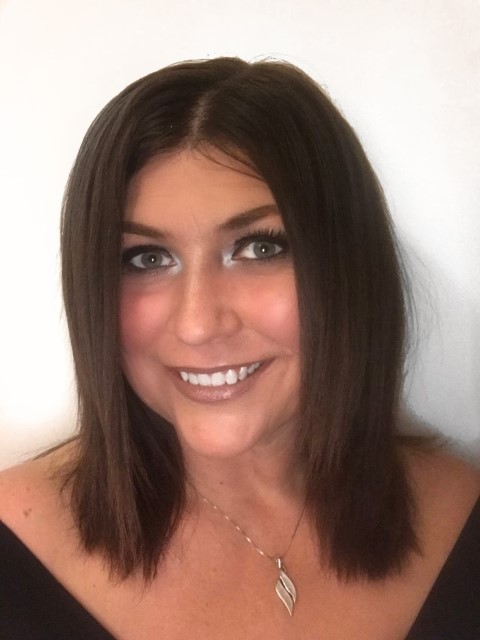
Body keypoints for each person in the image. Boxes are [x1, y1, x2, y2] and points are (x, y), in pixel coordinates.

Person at [0, 56, 478, 639]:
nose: (199, 324)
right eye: (147, 258)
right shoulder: (15, 548)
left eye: (259, 248)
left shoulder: (462, 516)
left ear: (347, 270)